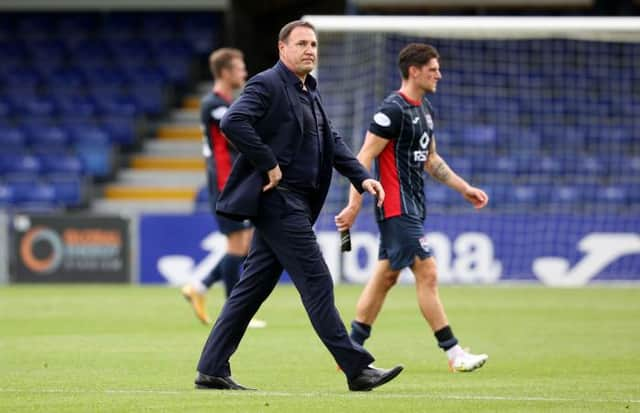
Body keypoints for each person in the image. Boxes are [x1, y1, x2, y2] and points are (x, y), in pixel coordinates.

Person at [193, 20, 403, 392]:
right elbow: (235, 122)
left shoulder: (309, 89)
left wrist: (360, 176)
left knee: (251, 289)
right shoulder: (267, 83)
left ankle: (211, 368)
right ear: (282, 49)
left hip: (299, 202)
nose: (310, 50)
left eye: (314, 44)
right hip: (278, 200)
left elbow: (332, 140)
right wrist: (268, 162)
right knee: (318, 279)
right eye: (302, 43)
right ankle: (356, 368)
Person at [335, 43, 489, 373]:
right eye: (433, 69)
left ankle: (350, 349)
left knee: (386, 276)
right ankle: (453, 352)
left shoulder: (423, 109)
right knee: (428, 271)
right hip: (395, 206)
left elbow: (431, 159)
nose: (439, 74)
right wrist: (353, 206)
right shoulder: (390, 111)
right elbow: (362, 158)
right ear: (414, 71)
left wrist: (465, 189)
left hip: (414, 206)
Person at [181, 48, 266, 329]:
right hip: (224, 183)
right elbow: (240, 130)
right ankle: (235, 316)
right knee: (237, 244)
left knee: (246, 243)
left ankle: (200, 284)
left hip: (236, 182)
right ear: (226, 72)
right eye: (240, 67)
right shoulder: (213, 104)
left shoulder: (228, 103)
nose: (244, 72)